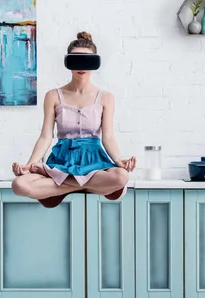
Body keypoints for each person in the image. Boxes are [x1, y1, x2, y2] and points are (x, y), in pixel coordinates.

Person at [11, 32, 136, 208]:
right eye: (76, 59)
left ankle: (62, 185)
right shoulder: (53, 96)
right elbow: (46, 136)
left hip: (94, 162)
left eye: (86, 60)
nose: (81, 66)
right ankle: (86, 186)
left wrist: (118, 161)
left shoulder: (106, 97)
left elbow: (108, 137)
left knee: (121, 176)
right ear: (68, 62)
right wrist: (30, 164)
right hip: (61, 160)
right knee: (19, 185)